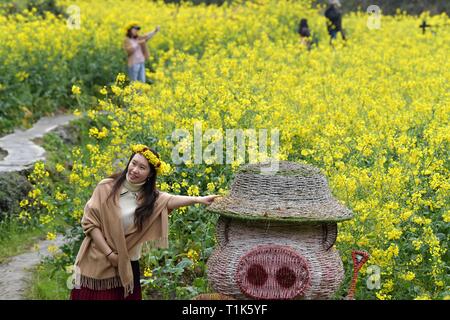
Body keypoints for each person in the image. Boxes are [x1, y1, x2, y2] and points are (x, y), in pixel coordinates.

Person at [70, 144, 220, 300]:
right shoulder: (106, 187)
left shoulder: (150, 199)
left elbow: (170, 200)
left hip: (127, 265)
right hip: (96, 259)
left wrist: (199, 199)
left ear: (150, 174)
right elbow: (90, 223)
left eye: (142, 167)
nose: (135, 170)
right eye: (133, 163)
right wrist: (110, 254)